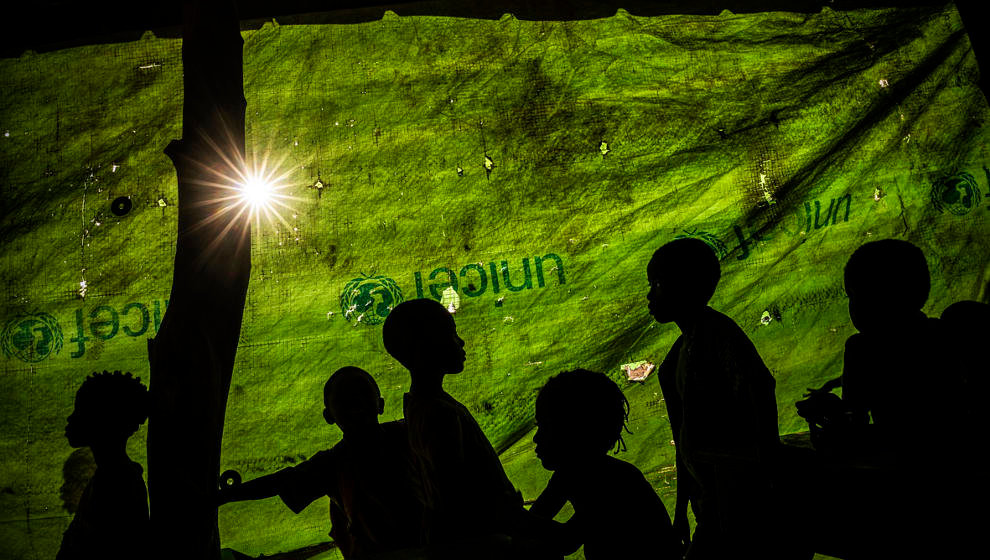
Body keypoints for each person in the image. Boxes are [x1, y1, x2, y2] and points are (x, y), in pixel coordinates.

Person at [382, 299, 555, 558]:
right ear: (423, 347)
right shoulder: (440, 414)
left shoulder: (419, 405)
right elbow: (457, 496)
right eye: (450, 334)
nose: (460, 342)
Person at [647, 238, 781, 559]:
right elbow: (683, 443)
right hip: (710, 506)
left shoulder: (721, 339)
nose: (650, 295)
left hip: (742, 505)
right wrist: (681, 512)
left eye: (659, 284)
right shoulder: (677, 357)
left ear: (686, 287)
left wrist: (767, 482)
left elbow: (760, 398)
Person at [216, 366, 423, 559]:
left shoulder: (337, 462)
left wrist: (224, 496)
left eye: (361, 395)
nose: (355, 405)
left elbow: (281, 481)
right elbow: (280, 481)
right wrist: (224, 496)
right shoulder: (404, 435)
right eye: (346, 401)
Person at [529, 369, 681, 559]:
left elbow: (566, 540)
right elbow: (538, 518)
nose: (536, 438)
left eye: (545, 426)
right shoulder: (569, 474)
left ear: (573, 433)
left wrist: (510, 516)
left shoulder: (614, 483)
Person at [57, 371, 150, 560]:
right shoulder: (110, 477)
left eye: (80, 411)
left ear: (103, 420)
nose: (70, 419)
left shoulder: (118, 483)